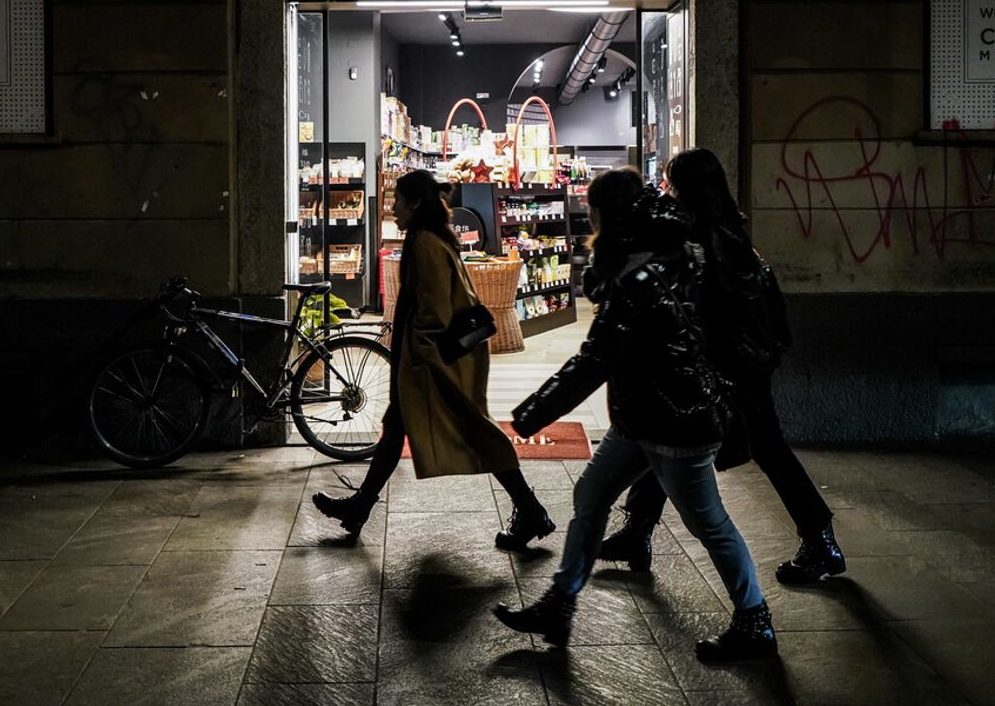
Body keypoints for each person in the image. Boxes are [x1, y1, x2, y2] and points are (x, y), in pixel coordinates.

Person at [494, 167, 777, 662]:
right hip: (645, 416)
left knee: (708, 522)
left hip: (676, 422)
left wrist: (530, 415)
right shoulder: (664, 256)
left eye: (592, 210)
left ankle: (755, 620)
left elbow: (594, 361)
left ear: (608, 216)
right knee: (592, 494)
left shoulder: (637, 280)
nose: (588, 219)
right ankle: (560, 603)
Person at [596, 147, 844, 585]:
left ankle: (818, 540)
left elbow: (704, 307)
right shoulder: (731, 229)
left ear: (684, 187)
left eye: (671, 183)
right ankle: (638, 531)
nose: (666, 190)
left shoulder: (701, 237)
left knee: (726, 444)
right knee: (672, 439)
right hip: (743, 365)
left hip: (725, 367)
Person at [310, 169, 554, 550]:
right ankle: (360, 507)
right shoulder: (432, 236)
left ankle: (531, 510)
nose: (393, 208)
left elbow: (434, 311)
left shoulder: (424, 242)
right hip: (435, 360)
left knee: (476, 432)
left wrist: (420, 358)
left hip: (437, 363)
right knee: (396, 428)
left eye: (398, 201)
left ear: (416, 203)